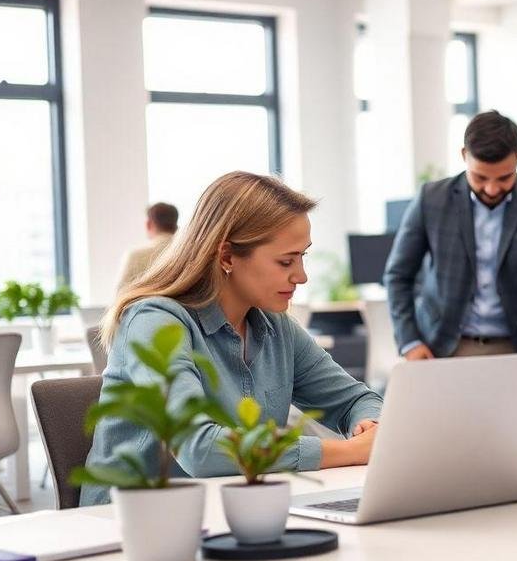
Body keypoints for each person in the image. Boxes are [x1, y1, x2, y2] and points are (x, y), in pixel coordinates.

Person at [81, 172, 382, 506]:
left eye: (302, 256)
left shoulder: (275, 326)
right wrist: (349, 451)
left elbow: (355, 400)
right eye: (286, 261)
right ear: (226, 257)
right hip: (129, 526)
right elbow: (199, 448)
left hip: (235, 511)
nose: (301, 276)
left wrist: (368, 426)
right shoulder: (154, 322)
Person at [384, 110, 517, 359]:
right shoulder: (431, 200)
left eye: (504, 178)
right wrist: (409, 342)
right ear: (464, 155)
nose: (492, 189)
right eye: (480, 177)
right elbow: (398, 275)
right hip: (440, 345)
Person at [115, 202, 178, 290]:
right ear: (176, 226)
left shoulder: (136, 257)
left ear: (148, 224)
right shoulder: (190, 254)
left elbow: (120, 295)